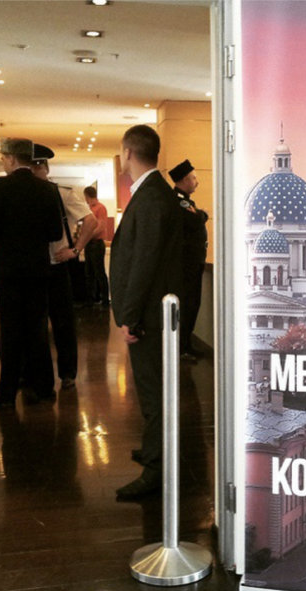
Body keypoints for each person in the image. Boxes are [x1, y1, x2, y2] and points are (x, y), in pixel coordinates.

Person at [110, 125, 185, 498]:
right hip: (151, 314)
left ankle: (157, 469)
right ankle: (156, 450)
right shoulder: (152, 192)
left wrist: (130, 315)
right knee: (153, 390)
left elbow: (144, 262)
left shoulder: (152, 196)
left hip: (151, 317)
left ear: (128, 153)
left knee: (155, 393)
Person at [0, 138, 63, 409]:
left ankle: (7, 393)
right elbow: (55, 232)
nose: (3, 162)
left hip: (9, 270)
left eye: (3, 158)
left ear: (12, 159)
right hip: (38, 269)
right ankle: (45, 388)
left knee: (11, 331)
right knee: (38, 330)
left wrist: (1, 240)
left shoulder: (0, 186)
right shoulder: (47, 189)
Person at [30, 144, 98, 389]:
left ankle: (68, 373)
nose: (36, 169)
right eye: (32, 165)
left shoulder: (61, 193)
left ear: (47, 168)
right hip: (32, 268)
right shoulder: (22, 195)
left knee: (63, 324)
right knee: (34, 325)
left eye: (40, 165)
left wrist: (75, 249)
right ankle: (38, 376)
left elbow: (91, 221)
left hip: (56, 265)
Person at [168, 159, 208, 364]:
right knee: (187, 306)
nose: (196, 182)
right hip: (186, 266)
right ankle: (182, 347)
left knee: (192, 305)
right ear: (184, 179)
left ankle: (186, 344)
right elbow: (196, 219)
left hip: (192, 264)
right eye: (193, 178)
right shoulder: (179, 201)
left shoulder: (185, 201)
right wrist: (203, 214)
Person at [83, 186, 110, 306]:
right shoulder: (89, 209)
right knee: (89, 272)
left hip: (96, 243)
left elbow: (101, 227)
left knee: (99, 272)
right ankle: (91, 299)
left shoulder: (100, 208)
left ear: (87, 196)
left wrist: (86, 236)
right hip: (89, 243)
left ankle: (104, 299)